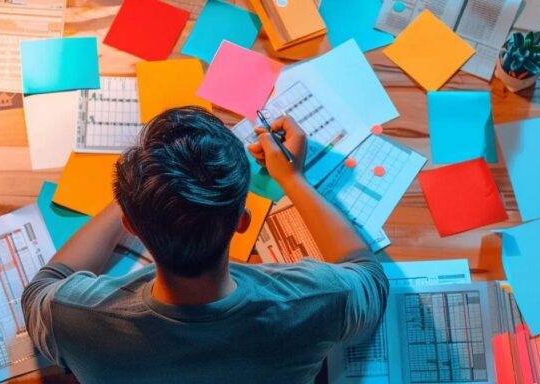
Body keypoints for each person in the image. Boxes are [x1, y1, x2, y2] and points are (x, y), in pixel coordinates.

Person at [22, 106, 388, 383]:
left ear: (130, 226)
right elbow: (369, 277)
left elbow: (41, 288)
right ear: (242, 223)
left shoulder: (74, 317)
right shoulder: (312, 303)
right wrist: (293, 179)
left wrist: (147, 193)